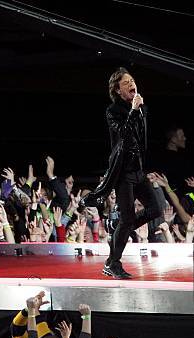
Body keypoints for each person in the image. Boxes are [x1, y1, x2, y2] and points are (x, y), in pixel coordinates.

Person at [82, 67, 161, 279]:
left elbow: (143, 141)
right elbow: (124, 137)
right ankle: (112, 263)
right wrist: (134, 111)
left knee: (155, 209)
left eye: (132, 80)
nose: (131, 84)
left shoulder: (142, 109)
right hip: (123, 172)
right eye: (125, 83)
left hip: (138, 170)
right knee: (127, 220)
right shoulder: (113, 111)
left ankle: (118, 229)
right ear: (118, 90)